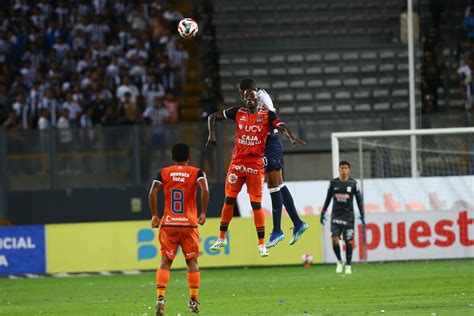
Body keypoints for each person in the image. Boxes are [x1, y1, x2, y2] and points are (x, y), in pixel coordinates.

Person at [206, 87, 305, 257]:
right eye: (246, 96)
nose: (249, 99)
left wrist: (291, 137)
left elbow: (279, 125)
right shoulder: (238, 111)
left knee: (267, 193)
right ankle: (222, 238)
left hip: (258, 159)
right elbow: (213, 115)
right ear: (243, 98)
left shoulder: (266, 111)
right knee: (231, 198)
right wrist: (211, 135)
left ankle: (269, 237)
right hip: (238, 163)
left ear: (256, 95)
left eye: (251, 95)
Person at [239, 79, 309, 248]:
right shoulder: (258, 97)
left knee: (273, 186)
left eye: (244, 92)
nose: (244, 96)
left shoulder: (262, 100)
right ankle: (298, 223)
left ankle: (277, 230)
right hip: (266, 143)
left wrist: (290, 137)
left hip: (270, 143)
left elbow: (273, 120)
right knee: (279, 184)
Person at [148, 143, 209, 315]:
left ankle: (160, 298)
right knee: (192, 263)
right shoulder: (197, 172)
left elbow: (153, 192)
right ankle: (193, 300)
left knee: (165, 262)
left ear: (172, 157)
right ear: (189, 156)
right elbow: (205, 189)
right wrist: (203, 212)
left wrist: (155, 215)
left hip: (169, 224)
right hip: (189, 225)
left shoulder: (164, 172)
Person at [320, 161, 365, 275]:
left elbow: (359, 200)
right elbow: (328, 198)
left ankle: (348, 265)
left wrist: (362, 214)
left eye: (345, 168)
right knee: (334, 239)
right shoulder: (333, 183)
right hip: (336, 215)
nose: (343, 170)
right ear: (339, 169)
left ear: (349, 170)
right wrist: (323, 212)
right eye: (342, 168)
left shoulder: (354, 183)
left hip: (349, 217)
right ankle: (340, 261)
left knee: (348, 241)